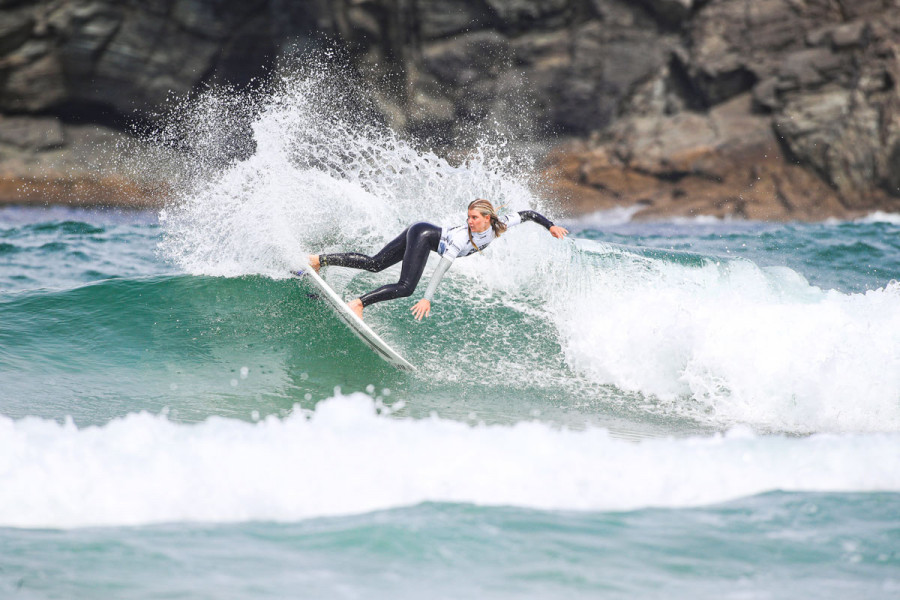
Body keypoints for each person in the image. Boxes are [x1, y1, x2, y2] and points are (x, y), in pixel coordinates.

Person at [307, 199, 568, 320]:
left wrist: (551, 226)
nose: (469, 221)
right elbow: (441, 269)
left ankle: (319, 260)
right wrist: (427, 298)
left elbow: (530, 214)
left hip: (419, 229)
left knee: (375, 264)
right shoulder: (463, 239)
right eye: (468, 217)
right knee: (406, 287)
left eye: (474, 217)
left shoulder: (501, 224)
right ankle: (358, 304)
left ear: (488, 219)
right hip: (424, 236)